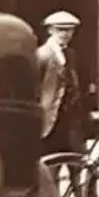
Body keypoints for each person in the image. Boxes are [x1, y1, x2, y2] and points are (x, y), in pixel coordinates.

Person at [37, 12, 85, 154]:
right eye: (60, 30)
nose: (65, 34)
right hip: (50, 116)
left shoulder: (71, 54)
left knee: (75, 158)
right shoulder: (42, 55)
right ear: (50, 30)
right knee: (50, 159)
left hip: (69, 117)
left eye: (69, 30)